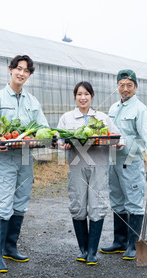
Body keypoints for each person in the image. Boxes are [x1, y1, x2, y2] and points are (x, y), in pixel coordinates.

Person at [0, 55, 49, 273]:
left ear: (29, 74)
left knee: (21, 203)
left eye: (26, 71)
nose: (22, 73)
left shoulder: (32, 101)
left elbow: (43, 127)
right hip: (5, 159)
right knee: (1, 205)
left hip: (26, 159)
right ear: (10, 70)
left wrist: (47, 139)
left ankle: (10, 247)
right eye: (18, 69)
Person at [57, 81, 121, 265]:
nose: (82, 98)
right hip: (77, 166)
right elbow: (59, 140)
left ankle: (92, 252)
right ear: (75, 97)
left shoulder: (102, 117)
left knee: (97, 205)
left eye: (86, 94)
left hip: (99, 166)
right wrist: (64, 144)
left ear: (91, 96)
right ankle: (83, 250)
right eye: (79, 94)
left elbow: (116, 136)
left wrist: (116, 142)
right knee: (77, 205)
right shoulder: (67, 118)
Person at [100, 69, 147, 261]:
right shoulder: (113, 108)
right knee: (117, 201)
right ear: (117, 86)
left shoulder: (140, 109)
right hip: (113, 161)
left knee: (133, 203)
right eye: (121, 85)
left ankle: (133, 245)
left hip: (131, 162)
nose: (125, 89)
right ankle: (119, 242)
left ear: (135, 87)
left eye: (129, 85)